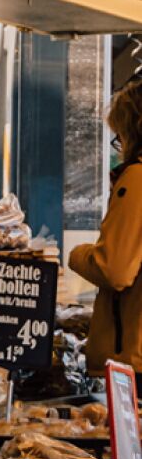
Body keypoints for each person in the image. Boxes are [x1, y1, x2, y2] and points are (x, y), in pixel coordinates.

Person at [69, 79, 142, 384]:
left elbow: (114, 269)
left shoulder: (136, 179)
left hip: (133, 360)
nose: (120, 145)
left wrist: (78, 255)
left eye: (119, 135)